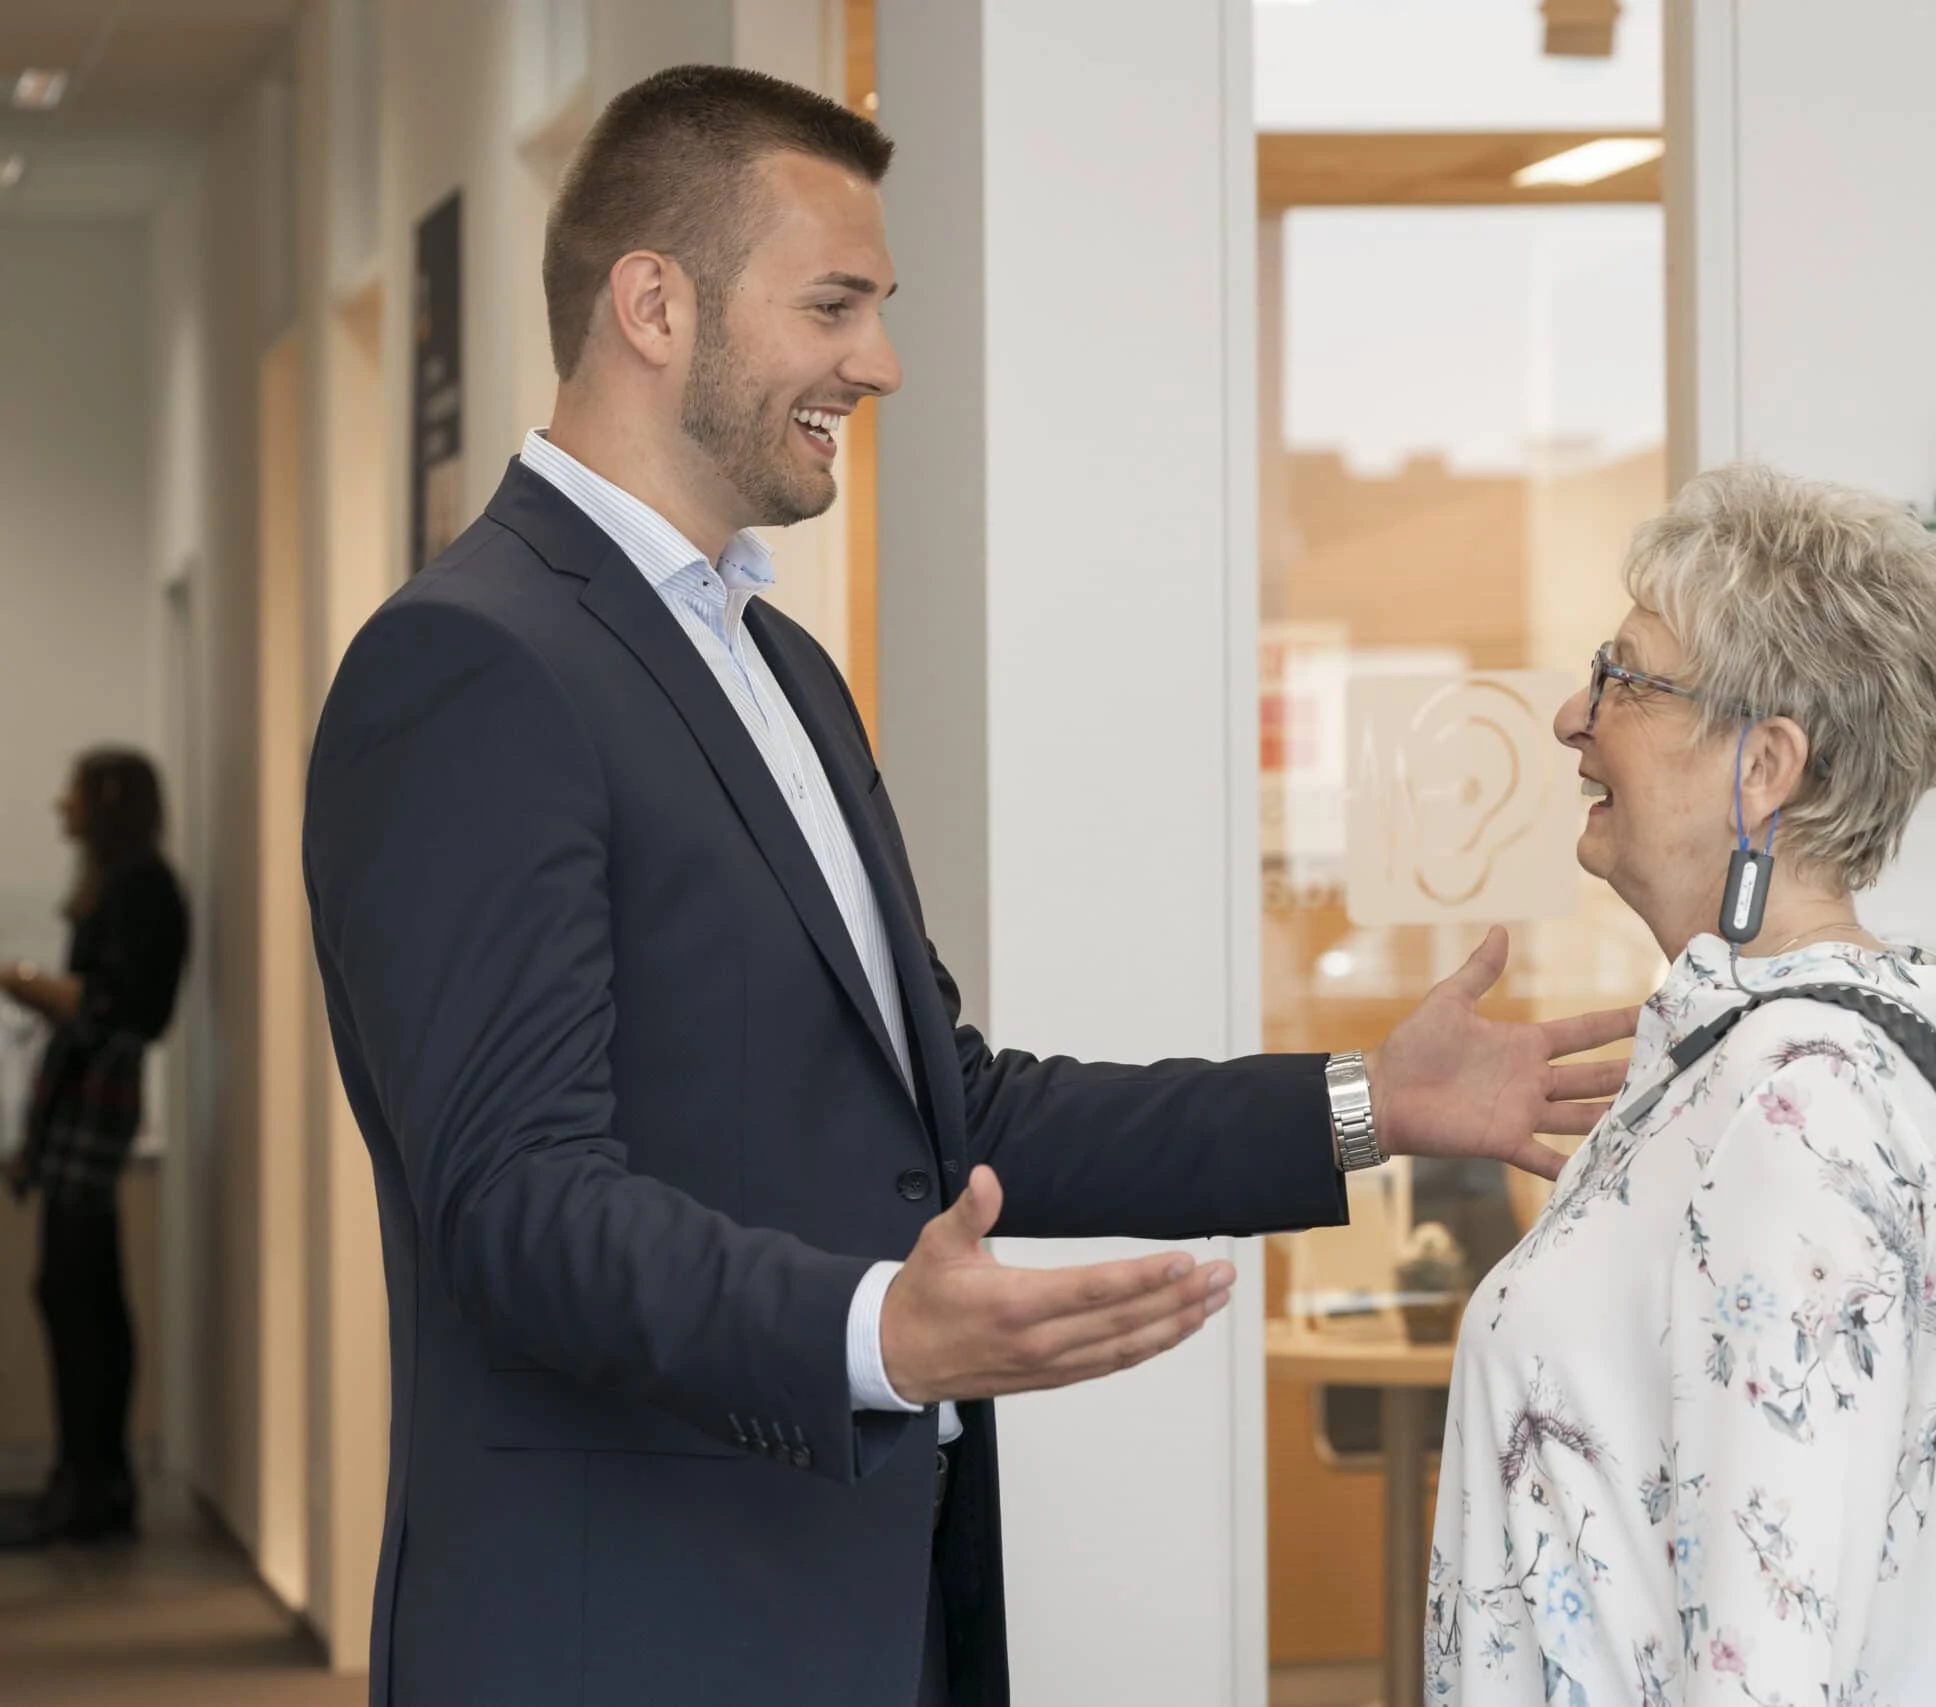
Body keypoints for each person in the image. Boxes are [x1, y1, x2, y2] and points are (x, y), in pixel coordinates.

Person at [302, 65, 1634, 1707]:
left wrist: (1370, 1102)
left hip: (857, 1617)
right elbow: (515, 1202)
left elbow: (956, 1110)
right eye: (835, 303)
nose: (881, 360)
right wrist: (875, 1332)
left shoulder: (777, 666)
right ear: (653, 304)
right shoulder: (471, 664)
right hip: (625, 1636)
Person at [1425, 465, 1936, 1703]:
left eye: (1624, 677)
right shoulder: (1732, 1062)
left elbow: (1767, 1657)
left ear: (1765, 767)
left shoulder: (1799, 1106)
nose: (1575, 715)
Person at [1, 750, 189, 1548]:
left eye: (74, 793)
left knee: (80, 1298)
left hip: (94, 1109)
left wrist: (25, 981)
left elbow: (120, 1007)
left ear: (107, 802)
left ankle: (92, 1483)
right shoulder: (130, 884)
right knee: (77, 1293)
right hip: (84, 1110)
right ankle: (87, 1479)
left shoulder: (141, 887)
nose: (60, 806)